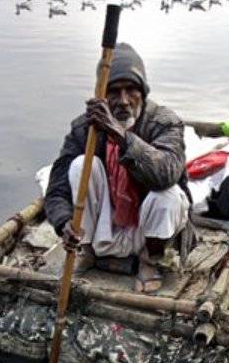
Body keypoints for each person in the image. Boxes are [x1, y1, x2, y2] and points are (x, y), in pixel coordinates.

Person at [43, 43, 191, 294]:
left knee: (168, 194)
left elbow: (165, 174)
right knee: (81, 166)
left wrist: (118, 133)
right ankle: (87, 251)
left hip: (151, 229)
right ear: (102, 95)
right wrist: (64, 222)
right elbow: (57, 189)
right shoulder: (85, 128)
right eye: (114, 92)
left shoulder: (164, 122)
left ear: (142, 92)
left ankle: (149, 261)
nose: (123, 101)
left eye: (131, 90)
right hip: (106, 225)